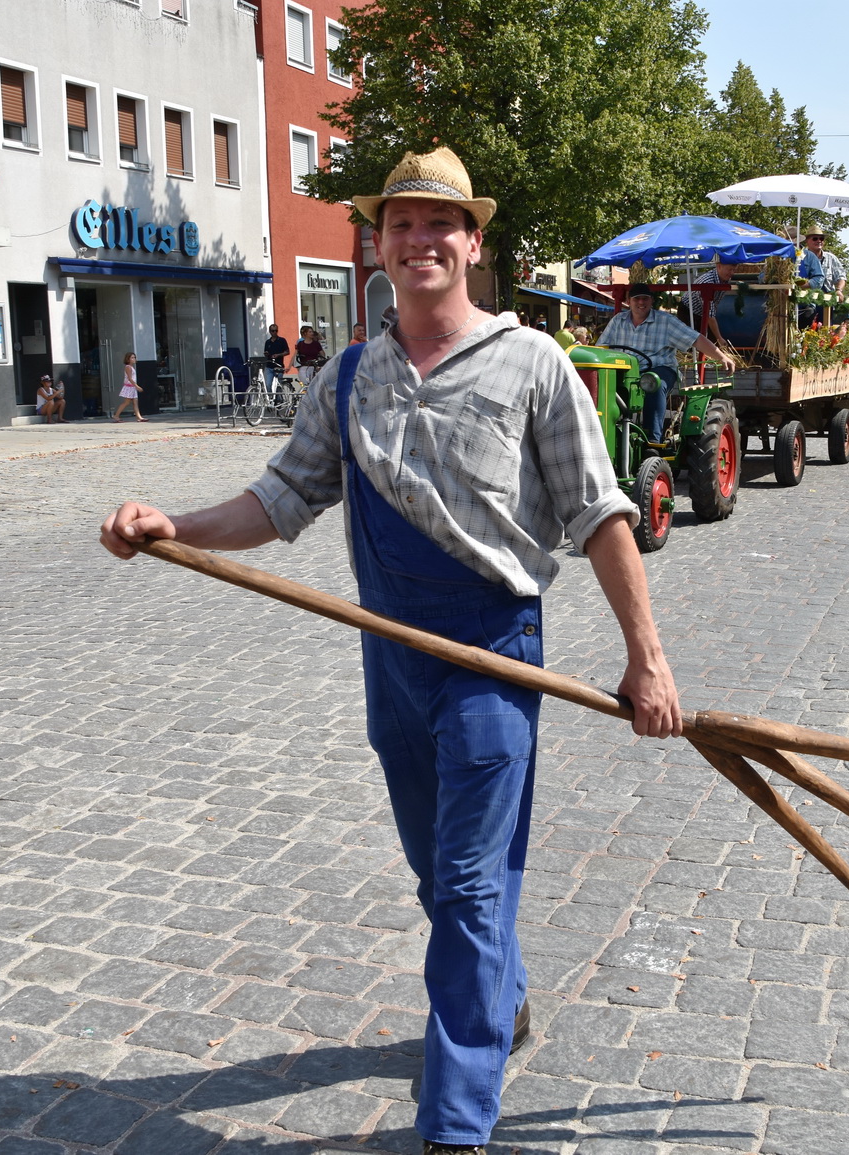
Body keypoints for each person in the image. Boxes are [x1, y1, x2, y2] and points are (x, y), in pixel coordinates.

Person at [100, 146, 681, 1155]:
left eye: (438, 224)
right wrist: (173, 525)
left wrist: (648, 657)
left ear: (472, 242)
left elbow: (598, 512)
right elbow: (279, 501)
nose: (419, 240)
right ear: (377, 243)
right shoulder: (349, 375)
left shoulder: (532, 362)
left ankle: (454, 1122)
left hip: (495, 655)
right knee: (441, 879)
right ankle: (499, 994)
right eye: (400, 224)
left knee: (464, 886)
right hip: (391, 658)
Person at [597, 286, 734, 444]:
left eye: (645, 298)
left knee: (654, 384)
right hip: (626, 371)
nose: (641, 302)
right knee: (602, 387)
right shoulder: (617, 321)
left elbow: (695, 339)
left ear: (651, 301)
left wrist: (721, 357)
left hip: (658, 368)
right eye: (636, 299)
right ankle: (605, 436)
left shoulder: (665, 321)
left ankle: (653, 440)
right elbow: (602, 348)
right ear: (629, 301)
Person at [685, 258, 736, 343]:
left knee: (711, 341)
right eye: (729, 269)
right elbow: (710, 315)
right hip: (688, 311)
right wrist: (719, 338)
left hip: (703, 312)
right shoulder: (708, 282)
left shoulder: (725, 279)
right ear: (719, 266)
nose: (732, 273)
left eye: (734, 270)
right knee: (694, 342)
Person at [111, 352, 145, 422]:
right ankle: (116, 415)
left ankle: (139, 417)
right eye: (132, 358)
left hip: (132, 387)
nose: (134, 359)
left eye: (134, 357)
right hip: (129, 387)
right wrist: (137, 386)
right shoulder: (128, 367)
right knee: (126, 402)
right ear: (128, 359)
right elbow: (130, 378)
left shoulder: (131, 367)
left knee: (135, 402)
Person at [262, 324, 290, 388]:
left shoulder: (282, 340)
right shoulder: (268, 342)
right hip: (269, 366)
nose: (274, 332)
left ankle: (279, 397)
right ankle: (270, 397)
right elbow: (266, 352)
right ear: (270, 331)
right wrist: (266, 353)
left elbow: (287, 352)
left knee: (279, 386)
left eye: (276, 331)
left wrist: (278, 355)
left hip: (279, 366)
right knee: (268, 385)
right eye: (273, 331)